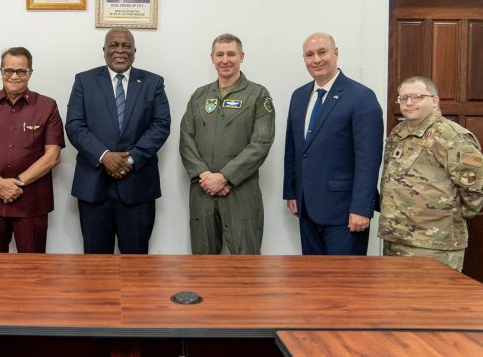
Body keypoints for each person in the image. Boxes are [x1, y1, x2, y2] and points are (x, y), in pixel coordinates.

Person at [66, 28, 171, 254]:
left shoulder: (153, 83)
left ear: (135, 51)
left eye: (126, 46)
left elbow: (160, 125)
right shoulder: (84, 80)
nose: (120, 51)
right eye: (114, 45)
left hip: (138, 187)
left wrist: (129, 159)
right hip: (93, 188)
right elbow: (75, 125)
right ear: (104, 51)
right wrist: (104, 157)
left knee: (136, 265)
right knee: (95, 264)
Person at [283, 32, 383, 255]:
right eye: (309, 55)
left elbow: (369, 159)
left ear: (335, 53)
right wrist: (292, 192)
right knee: (312, 281)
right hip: (306, 207)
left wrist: (361, 208)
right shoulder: (298, 96)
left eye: (322, 52)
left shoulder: (361, 97)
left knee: (344, 284)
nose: (316, 59)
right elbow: (294, 149)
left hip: (345, 213)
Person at [179, 34, 275, 254]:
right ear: (212, 58)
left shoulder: (258, 95)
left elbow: (261, 143)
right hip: (202, 191)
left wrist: (225, 177)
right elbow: (186, 139)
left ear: (241, 56)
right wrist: (205, 176)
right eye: (219, 54)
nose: (225, 60)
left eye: (231, 54)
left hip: (240, 190)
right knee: (203, 262)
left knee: (244, 264)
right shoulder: (199, 96)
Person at [0, 47, 64, 253]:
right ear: (1, 72)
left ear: (30, 73)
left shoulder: (47, 106)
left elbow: (52, 156)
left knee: (32, 270)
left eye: (21, 71)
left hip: (31, 203)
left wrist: (16, 183)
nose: (14, 76)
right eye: (8, 70)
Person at [379, 76, 483, 271]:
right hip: (396, 240)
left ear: (435, 101)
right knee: (397, 301)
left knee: (436, 301)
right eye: (403, 98)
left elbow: (476, 190)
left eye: (417, 97)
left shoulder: (450, 136)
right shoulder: (399, 132)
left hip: (435, 246)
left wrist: (449, 216)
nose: (409, 103)